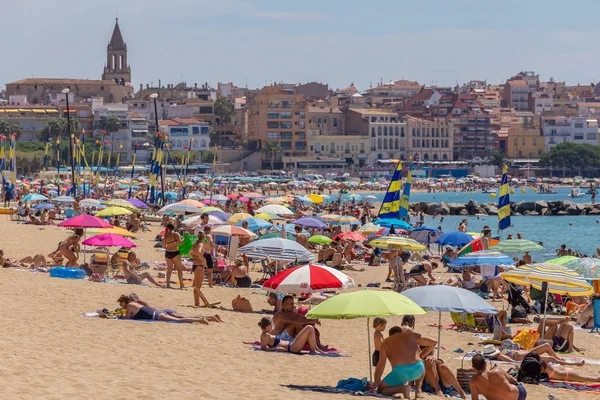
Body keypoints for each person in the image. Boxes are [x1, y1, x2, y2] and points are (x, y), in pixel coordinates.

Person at [374, 325, 436, 398]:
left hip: (401, 373)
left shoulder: (385, 343)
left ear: (390, 335)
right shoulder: (410, 336)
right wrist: (421, 356)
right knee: (420, 362)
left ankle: (403, 389)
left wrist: (377, 380)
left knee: (381, 390)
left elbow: (381, 365)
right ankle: (418, 391)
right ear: (401, 333)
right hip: (418, 370)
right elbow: (433, 342)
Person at [127, 293, 222, 322]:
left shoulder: (139, 303)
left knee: (182, 318)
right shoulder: (141, 302)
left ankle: (207, 318)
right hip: (165, 310)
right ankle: (210, 316)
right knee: (184, 316)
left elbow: (149, 311)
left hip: (163, 312)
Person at [482, 343, 584, 366]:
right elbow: (514, 362)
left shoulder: (501, 352)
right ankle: (572, 363)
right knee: (551, 357)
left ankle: (561, 360)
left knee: (548, 347)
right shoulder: (501, 356)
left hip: (528, 352)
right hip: (528, 356)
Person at [161, 223, 184, 289]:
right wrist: (185, 238)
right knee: (179, 269)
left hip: (168, 253)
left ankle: (168, 284)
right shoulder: (176, 234)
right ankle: (181, 285)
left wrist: (169, 246)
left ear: (168, 228)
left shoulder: (166, 235)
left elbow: (163, 246)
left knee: (169, 269)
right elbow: (180, 242)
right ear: (174, 227)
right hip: (175, 252)